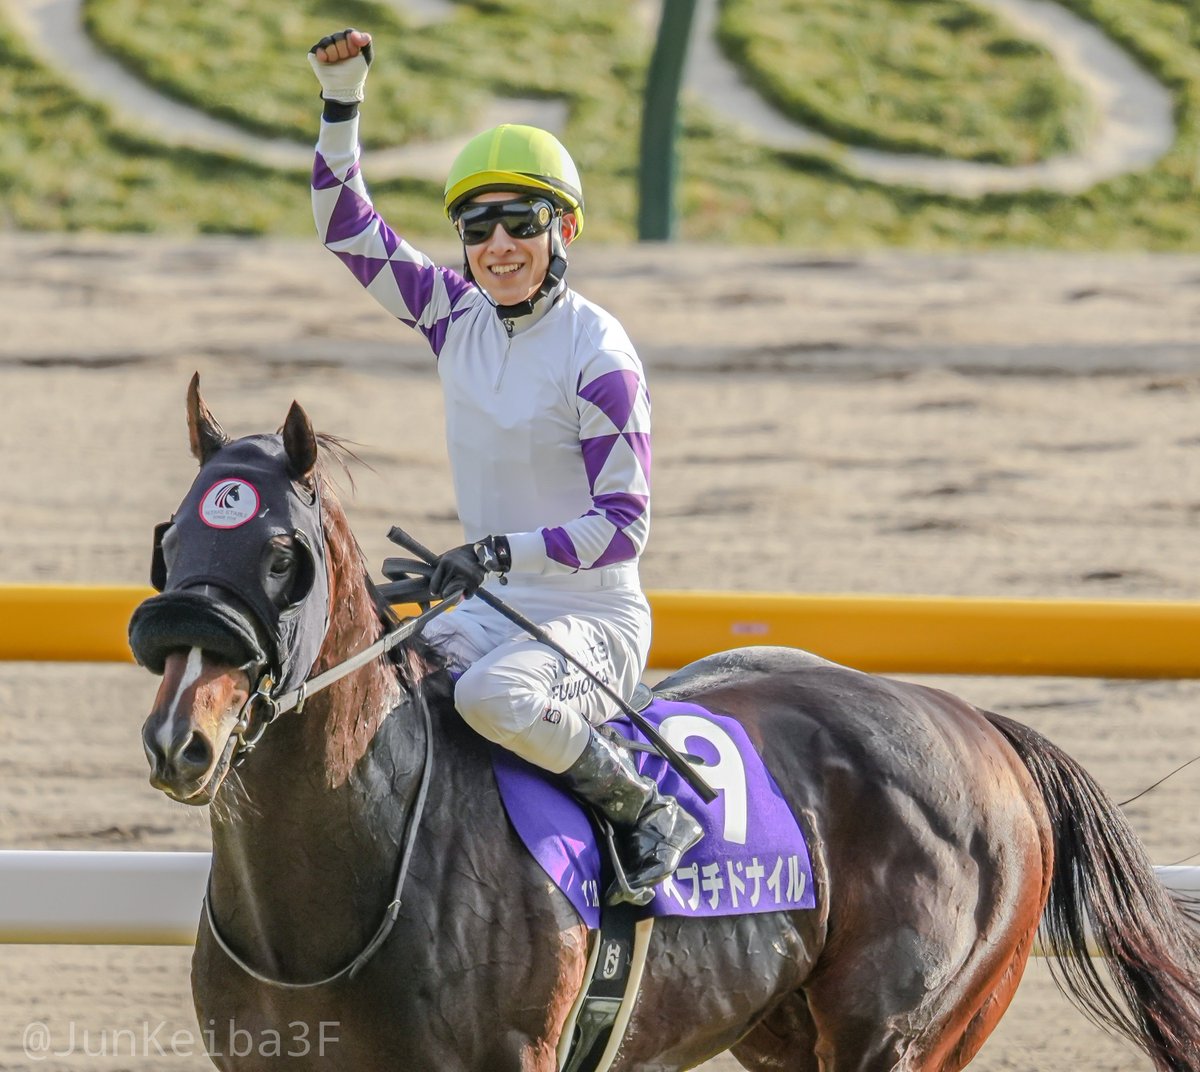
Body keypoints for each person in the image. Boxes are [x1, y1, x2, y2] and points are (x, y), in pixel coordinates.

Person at [307, 29, 701, 904]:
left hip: (591, 623)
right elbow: (345, 227)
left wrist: (490, 556)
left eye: (521, 223)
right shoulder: (454, 315)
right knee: (376, 680)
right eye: (476, 226)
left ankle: (646, 814)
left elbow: (623, 527)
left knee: (488, 698)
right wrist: (342, 106)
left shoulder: (600, 355)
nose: (498, 245)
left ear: (563, 231)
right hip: (492, 609)